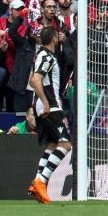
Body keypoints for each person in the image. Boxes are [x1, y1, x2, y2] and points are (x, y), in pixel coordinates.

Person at [27, 27, 73, 205]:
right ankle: (41, 181)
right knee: (66, 144)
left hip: (42, 104)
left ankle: (36, 182)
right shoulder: (46, 56)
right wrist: (46, 102)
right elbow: (35, 79)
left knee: (53, 144)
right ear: (54, 39)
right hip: (50, 105)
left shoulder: (40, 55)